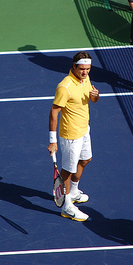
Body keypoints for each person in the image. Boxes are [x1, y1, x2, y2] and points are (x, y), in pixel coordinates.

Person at [48, 51, 100, 222]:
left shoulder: (85, 79)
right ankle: (67, 207)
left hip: (84, 129)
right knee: (68, 171)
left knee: (85, 160)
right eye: (82, 69)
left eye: (88, 69)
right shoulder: (65, 87)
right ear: (74, 67)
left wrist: (96, 96)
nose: (85, 72)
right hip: (71, 135)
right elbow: (54, 113)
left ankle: (74, 191)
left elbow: (92, 99)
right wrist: (53, 141)